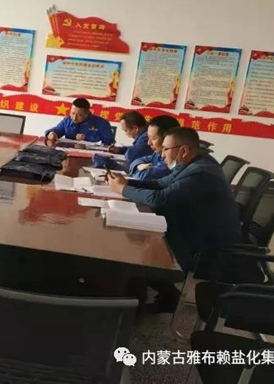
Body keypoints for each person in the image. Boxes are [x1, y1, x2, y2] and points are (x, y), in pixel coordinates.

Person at [106, 128, 254, 311]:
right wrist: (128, 183)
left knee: (137, 243)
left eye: (165, 149)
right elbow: (160, 184)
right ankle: (163, 295)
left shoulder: (201, 174)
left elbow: (160, 199)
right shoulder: (193, 163)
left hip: (206, 247)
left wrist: (123, 190)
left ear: (183, 150)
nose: (161, 154)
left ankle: (134, 303)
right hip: (192, 230)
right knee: (137, 235)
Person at [129, 115, 181, 180]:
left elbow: (144, 177)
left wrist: (138, 169)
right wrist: (139, 166)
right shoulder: (157, 153)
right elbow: (136, 161)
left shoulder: (172, 159)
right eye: (148, 137)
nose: (149, 143)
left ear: (167, 138)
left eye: (153, 138)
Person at [45, 98, 114, 145]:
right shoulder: (67, 120)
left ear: (87, 113)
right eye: (73, 113)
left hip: (93, 156)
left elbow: (109, 141)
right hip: (69, 154)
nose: (74, 118)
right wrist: (51, 134)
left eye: (79, 115)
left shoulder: (102, 123)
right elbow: (57, 130)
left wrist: (86, 138)